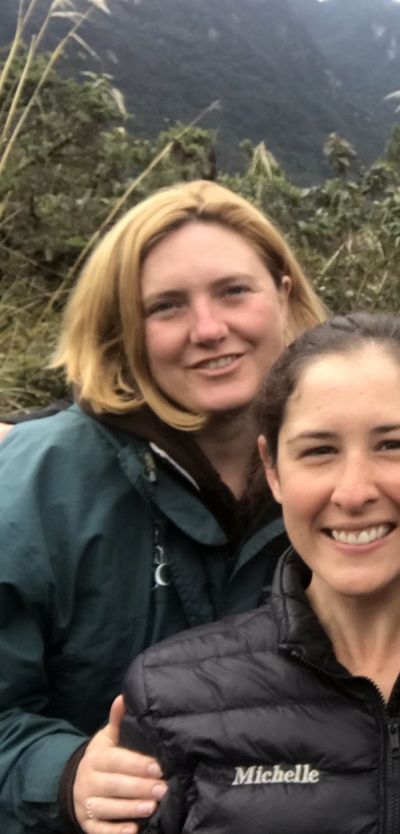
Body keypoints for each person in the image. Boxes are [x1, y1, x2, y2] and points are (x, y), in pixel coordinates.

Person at [118, 313, 400, 833]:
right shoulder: (173, 696)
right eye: (319, 451)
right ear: (272, 468)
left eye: (393, 445)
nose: (354, 492)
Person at [0, 181, 325, 833]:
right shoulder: (37, 484)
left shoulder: (344, 467)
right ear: (124, 330)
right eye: (167, 307)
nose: (209, 330)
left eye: (235, 291)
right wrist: (63, 775)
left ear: (284, 297)